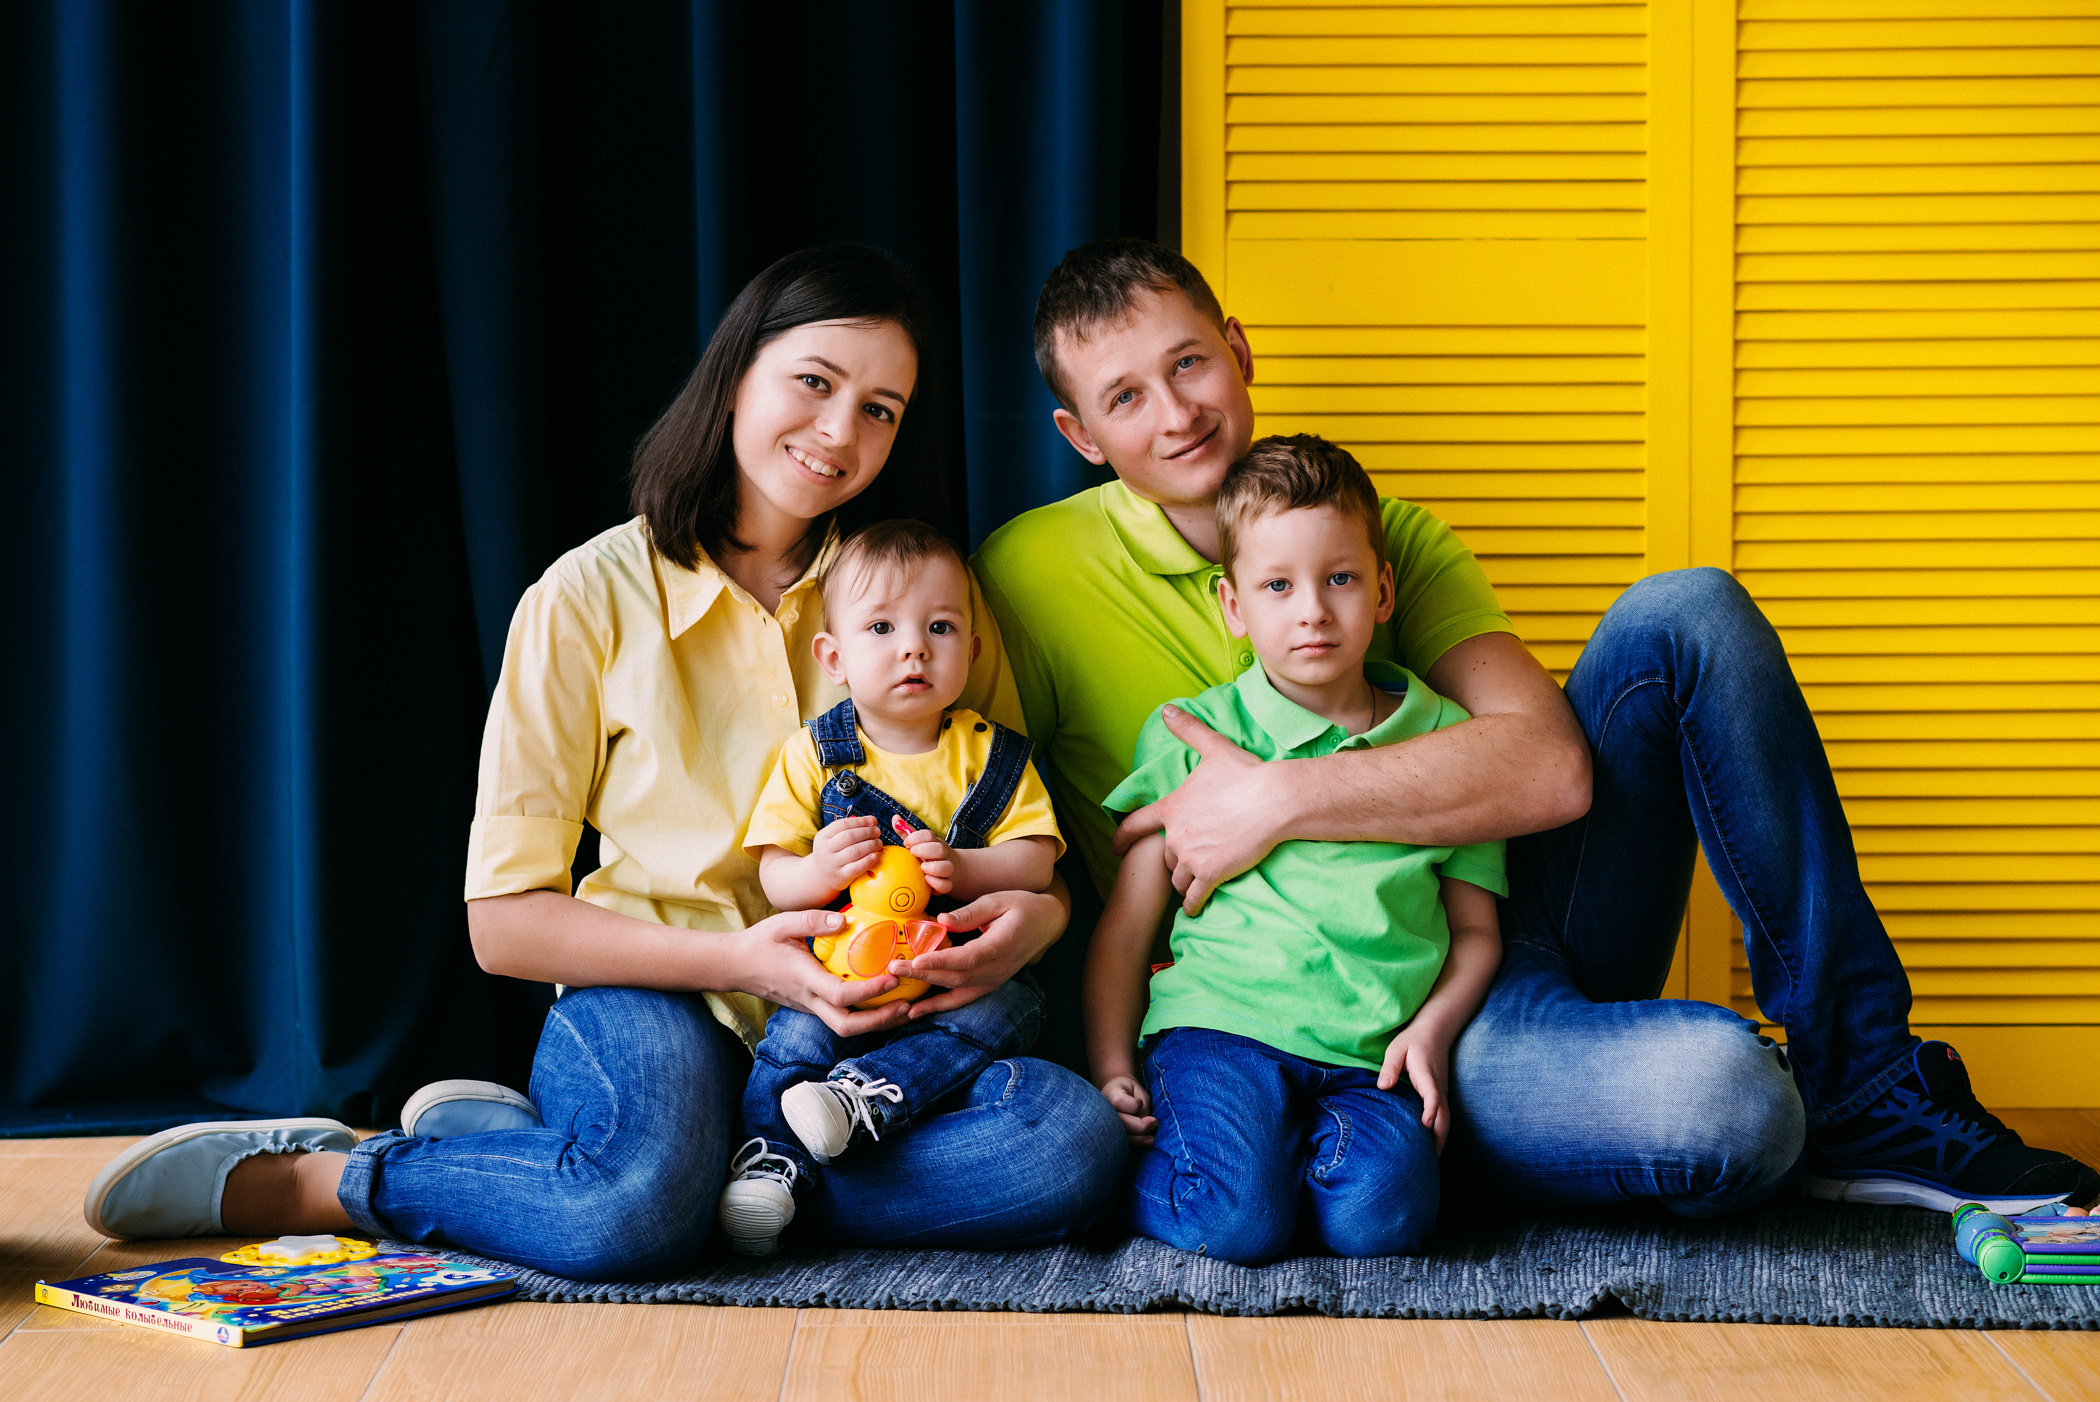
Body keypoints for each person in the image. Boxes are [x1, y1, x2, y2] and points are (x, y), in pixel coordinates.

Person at [976, 237, 2099, 1218]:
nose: (1176, 412)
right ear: (1079, 433)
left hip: (1472, 970)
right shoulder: (1029, 576)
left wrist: (1276, 798)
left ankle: (1862, 1086)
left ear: (1239, 349)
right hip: (1250, 1012)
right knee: (1730, 1102)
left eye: (1189, 363)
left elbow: (1554, 768)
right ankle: (1479, 1144)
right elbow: (972, 791)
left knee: (1688, 613)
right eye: (1126, 396)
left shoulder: (1381, 533)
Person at [81, 244, 1126, 1279]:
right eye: (814, 382)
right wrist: (743, 962)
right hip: (656, 998)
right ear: (735, 376)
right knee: (631, 1213)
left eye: (880, 409)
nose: (838, 431)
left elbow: (1019, 851)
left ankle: (642, 1168)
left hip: (866, 1037)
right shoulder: (582, 600)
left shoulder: (922, 604)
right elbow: (504, 923)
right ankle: (339, 1177)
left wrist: (1024, 928)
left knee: (1069, 1145)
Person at [1086, 435, 1504, 1264]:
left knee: (1380, 1218)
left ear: (1383, 589)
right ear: (1234, 607)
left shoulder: (1448, 742)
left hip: (1367, 1058)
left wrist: (1431, 1031)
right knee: (1234, 1223)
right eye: (1278, 586)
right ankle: (1131, 1181)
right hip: (1219, 1032)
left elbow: (1477, 932)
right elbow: (1128, 929)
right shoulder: (1192, 735)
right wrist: (1108, 1064)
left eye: (1339, 579)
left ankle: (1271, 1180)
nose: (1311, 609)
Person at [722, 518, 1065, 1255]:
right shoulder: (815, 753)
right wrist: (818, 871)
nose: (914, 647)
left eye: (939, 627)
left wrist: (967, 870)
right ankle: (768, 1163)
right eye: (882, 627)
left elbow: (1037, 859)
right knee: (792, 1038)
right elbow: (774, 873)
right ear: (834, 656)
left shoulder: (990, 754)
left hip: (958, 978)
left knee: (1015, 1009)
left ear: (971, 651)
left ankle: (866, 1098)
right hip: (847, 971)